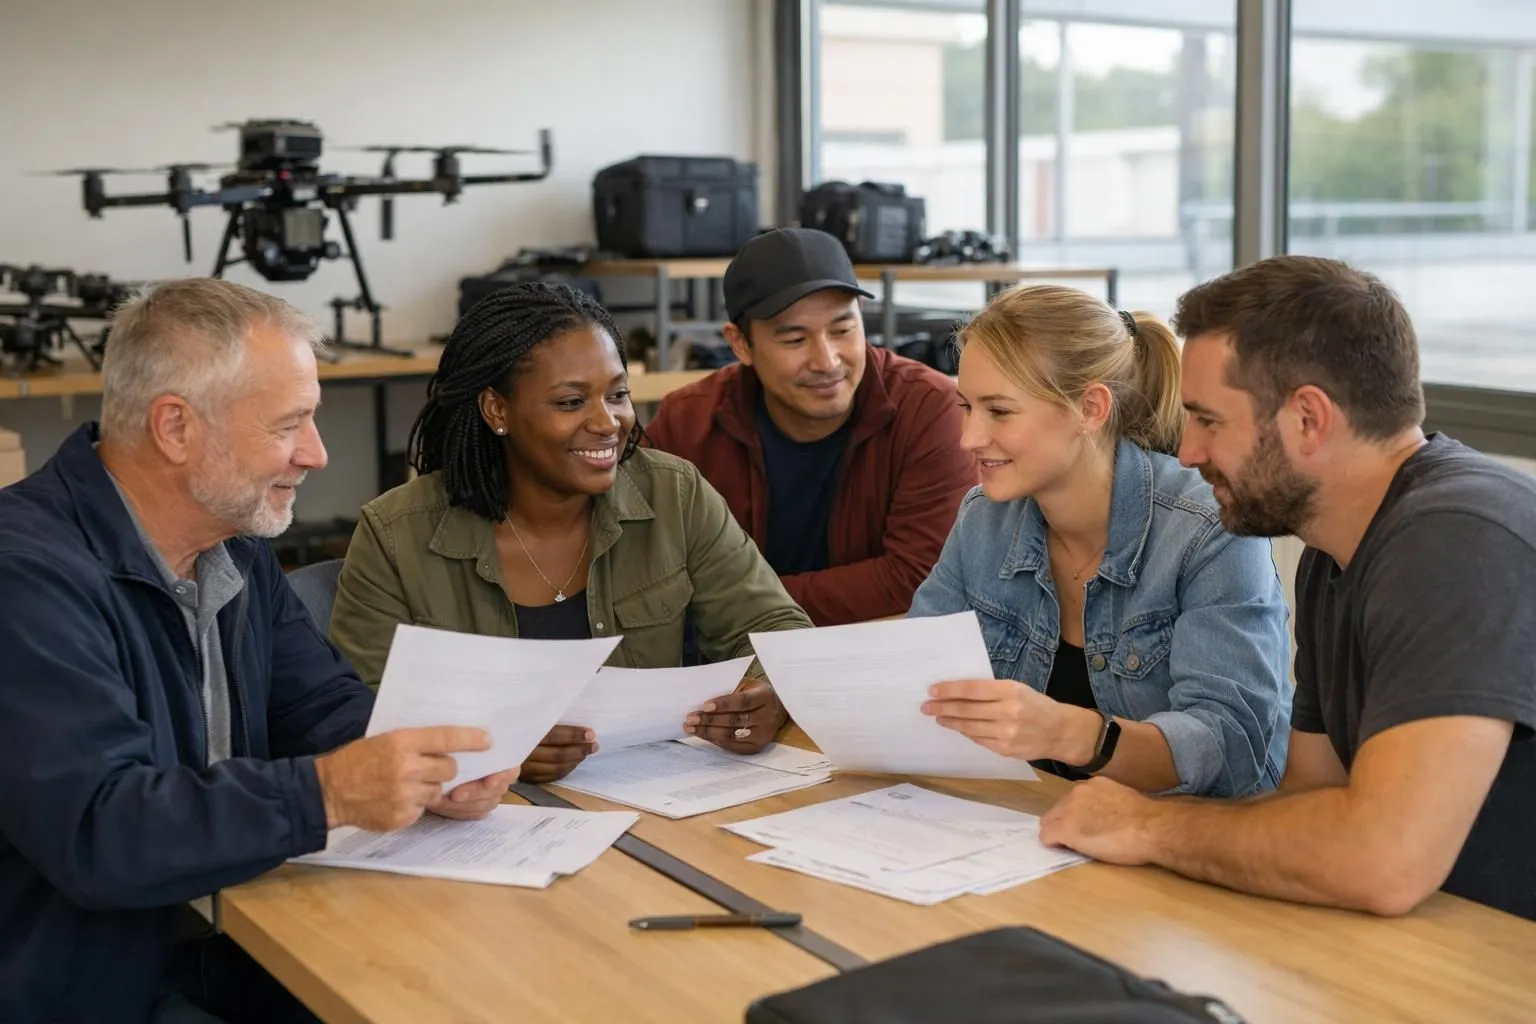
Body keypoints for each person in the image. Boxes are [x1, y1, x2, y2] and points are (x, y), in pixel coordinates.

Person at [0, 279, 517, 1024]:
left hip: (237, 943)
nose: (316, 452)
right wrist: (330, 793)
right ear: (174, 427)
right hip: (89, 985)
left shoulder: (231, 549)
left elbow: (320, 705)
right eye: (290, 424)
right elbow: (100, 829)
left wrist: (429, 766)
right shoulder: (24, 576)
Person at [1040, 256, 1536, 921]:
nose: (1186, 452)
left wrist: (1149, 827)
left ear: (1308, 418)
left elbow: (1382, 861)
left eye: (1209, 421)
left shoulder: (1456, 538)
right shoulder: (1335, 550)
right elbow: (1310, 797)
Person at [329, 281, 813, 783]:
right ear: (497, 410)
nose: (608, 422)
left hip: (658, 802)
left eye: (618, 394)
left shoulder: (675, 493)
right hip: (480, 823)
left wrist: (770, 693)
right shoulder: (394, 536)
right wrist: (496, 747)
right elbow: (352, 716)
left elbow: (777, 629)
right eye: (570, 402)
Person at [912, 285, 1292, 798]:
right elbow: (917, 672)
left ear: (1090, 408)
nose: (969, 438)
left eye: (999, 411)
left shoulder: (1207, 529)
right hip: (1040, 823)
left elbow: (1229, 747)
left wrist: (1074, 733)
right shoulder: (984, 518)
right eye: (966, 406)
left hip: (1198, 836)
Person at [644, 227, 978, 625]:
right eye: (794, 339)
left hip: (876, 650)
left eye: (843, 330)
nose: (827, 361)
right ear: (740, 344)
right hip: (732, 657)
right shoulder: (688, 422)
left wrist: (738, 599)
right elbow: (651, 569)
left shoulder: (929, 408)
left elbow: (920, 575)